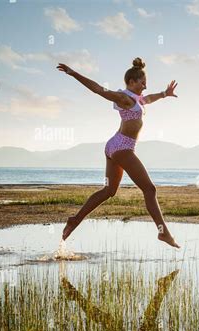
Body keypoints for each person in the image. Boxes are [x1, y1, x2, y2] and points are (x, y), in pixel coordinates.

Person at [57, 57, 180, 248]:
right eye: (142, 82)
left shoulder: (137, 99)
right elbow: (99, 89)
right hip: (122, 147)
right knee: (150, 189)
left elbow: (149, 99)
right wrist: (74, 74)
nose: (145, 86)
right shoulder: (124, 98)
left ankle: (75, 219)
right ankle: (163, 232)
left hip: (114, 146)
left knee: (109, 191)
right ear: (131, 82)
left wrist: (165, 93)